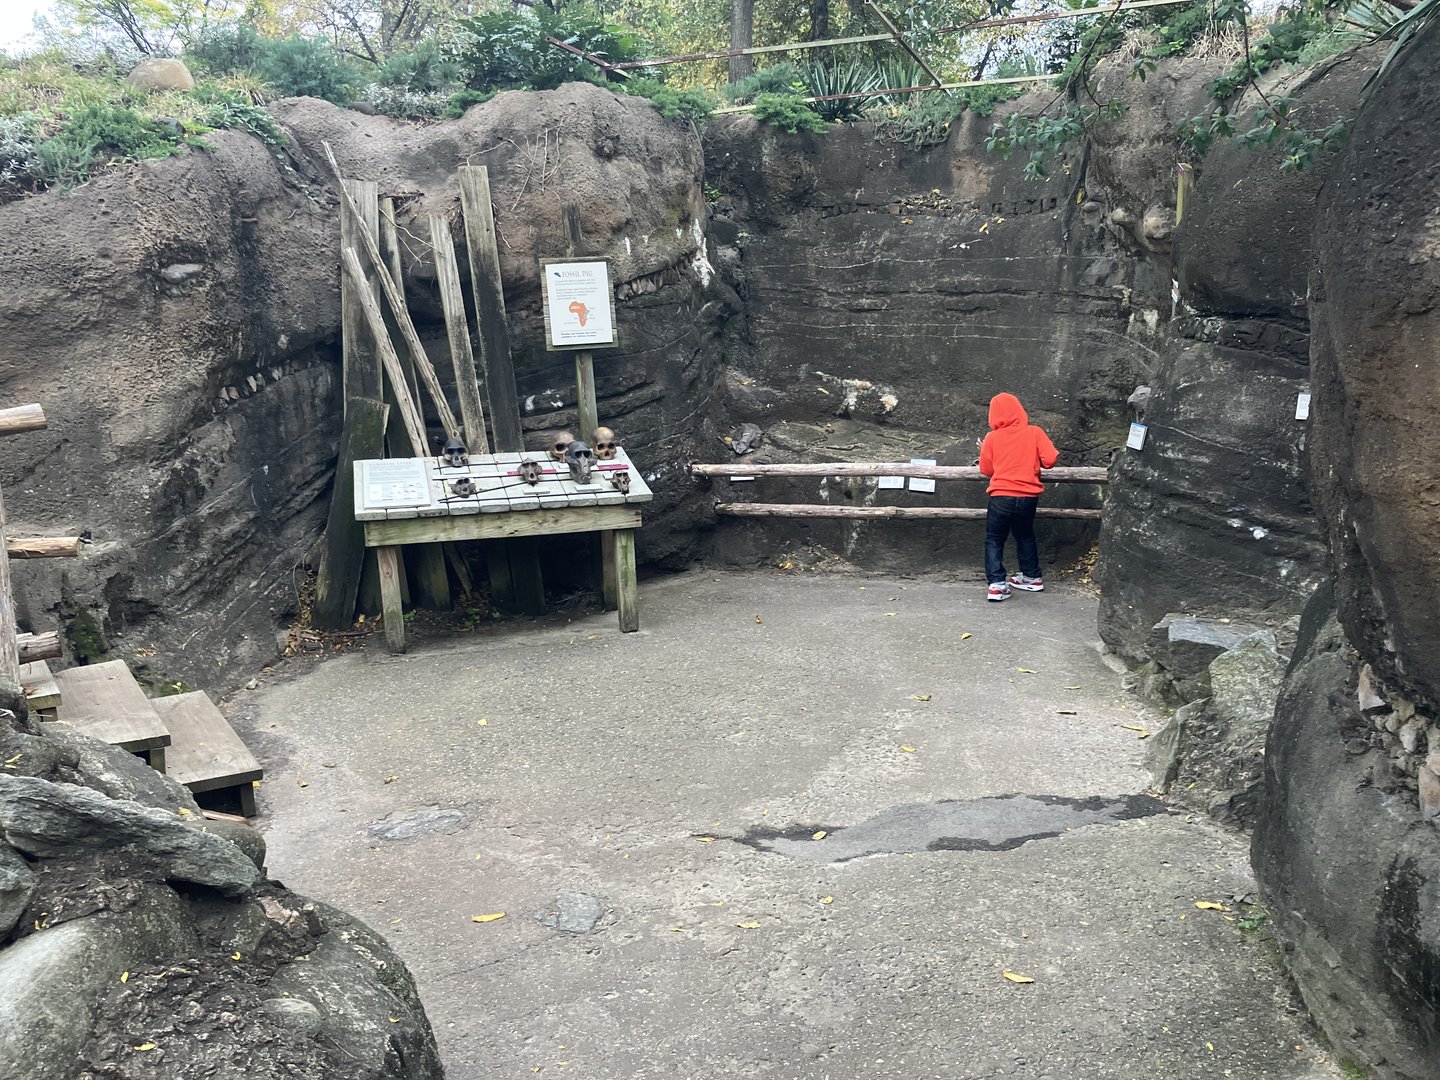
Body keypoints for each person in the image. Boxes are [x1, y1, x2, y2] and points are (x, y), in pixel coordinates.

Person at [976, 392, 1059, 602]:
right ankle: (1032, 576)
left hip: (1001, 495)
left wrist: (985, 450)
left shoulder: (992, 438)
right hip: (1028, 496)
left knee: (994, 539)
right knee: (1025, 535)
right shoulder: (1035, 432)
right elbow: (1050, 460)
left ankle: (997, 584)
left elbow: (986, 470)